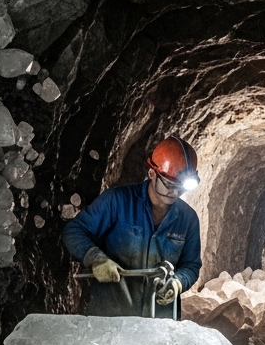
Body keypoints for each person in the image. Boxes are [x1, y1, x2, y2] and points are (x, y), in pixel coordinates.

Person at [63, 136, 203, 318]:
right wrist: (96, 259)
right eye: (169, 184)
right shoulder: (117, 201)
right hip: (112, 317)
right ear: (152, 173)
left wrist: (178, 282)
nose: (175, 192)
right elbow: (74, 230)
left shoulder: (188, 219)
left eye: (181, 186)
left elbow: (191, 265)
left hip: (159, 321)